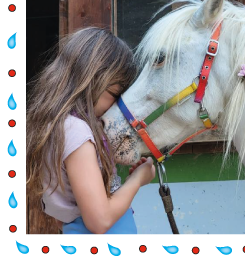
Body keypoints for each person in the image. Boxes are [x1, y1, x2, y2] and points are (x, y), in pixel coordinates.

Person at [26, 26, 155, 235]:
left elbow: (64, 215)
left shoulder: (56, 127)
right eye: (114, 94)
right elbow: (100, 221)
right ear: (91, 80)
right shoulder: (76, 130)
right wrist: (137, 180)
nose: (115, 105)